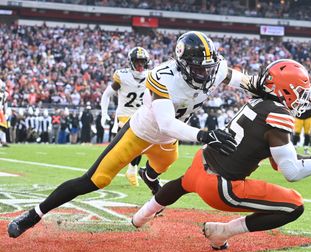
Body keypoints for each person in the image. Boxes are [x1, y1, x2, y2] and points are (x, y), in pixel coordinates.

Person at [7, 31, 252, 238]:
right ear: (184, 64)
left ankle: (149, 176)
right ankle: (34, 214)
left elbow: (242, 80)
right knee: (95, 180)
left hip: (167, 142)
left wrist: (263, 86)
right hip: (141, 133)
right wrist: (205, 135)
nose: (205, 74)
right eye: (199, 68)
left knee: (166, 163)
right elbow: (166, 123)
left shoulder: (214, 69)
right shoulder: (163, 77)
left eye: (208, 68)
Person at [131, 59, 311, 250]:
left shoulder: (258, 102)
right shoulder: (279, 115)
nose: (302, 98)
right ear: (286, 89)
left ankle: (140, 216)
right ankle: (223, 231)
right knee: (294, 205)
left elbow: (280, 161)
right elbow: (290, 172)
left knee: (180, 185)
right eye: (300, 92)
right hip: (221, 187)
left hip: (200, 164)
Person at [100, 47, 150, 187]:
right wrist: (104, 114)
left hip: (141, 115)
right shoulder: (122, 76)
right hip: (124, 116)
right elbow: (106, 94)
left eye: (142, 62)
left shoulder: (151, 76)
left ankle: (132, 170)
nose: (140, 65)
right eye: (137, 62)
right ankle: (122, 170)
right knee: (121, 148)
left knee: (139, 145)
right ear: (131, 62)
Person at [0, 79, 9, 147]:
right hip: (1, 111)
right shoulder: (4, 94)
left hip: (1, 111)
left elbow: (5, 103)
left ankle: (3, 141)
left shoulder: (5, 94)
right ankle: (3, 141)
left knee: (3, 126)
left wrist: (5, 112)